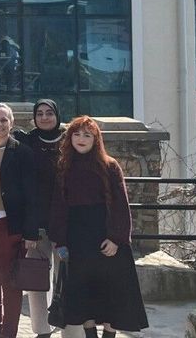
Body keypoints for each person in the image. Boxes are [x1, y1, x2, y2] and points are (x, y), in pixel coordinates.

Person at [50, 117, 148, 338]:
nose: (81, 139)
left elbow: (121, 205)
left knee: (113, 293)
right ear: (70, 137)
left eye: (87, 135)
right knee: (84, 294)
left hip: (107, 239)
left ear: (96, 139)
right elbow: (59, 207)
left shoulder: (110, 166)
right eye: (77, 134)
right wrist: (61, 241)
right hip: (78, 240)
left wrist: (116, 238)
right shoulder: (64, 167)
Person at [0, 102, 38, 338]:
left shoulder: (22, 153)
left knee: (10, 281)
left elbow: (32, 196)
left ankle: (9, 332)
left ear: (11, 123)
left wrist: (30, 232)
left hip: (9, 226)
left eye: (4, 120)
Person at [15, 98, 67, 338]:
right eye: (40, 113)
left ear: (57, 115)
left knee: (65, 279)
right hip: (36, 225)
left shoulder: (70, 140)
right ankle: (42, 330)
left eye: (49, 113)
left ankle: (67, 327)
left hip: (65, 225)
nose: (44, 117)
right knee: (36, 281)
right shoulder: (27, 141)